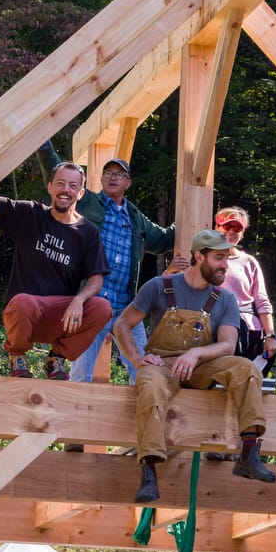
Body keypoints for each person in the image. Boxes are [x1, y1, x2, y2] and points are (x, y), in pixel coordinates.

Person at [113, 229, 275, 504]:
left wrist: (197, 353)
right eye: (219, 258)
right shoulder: (159, 287)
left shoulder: (224, 299)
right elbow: (122, 325)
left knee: (246, 369)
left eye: (227, 258)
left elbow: (227, 344)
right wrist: (138, 359)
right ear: (199, 256)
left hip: (203, 364)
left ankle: (249, 453)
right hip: (162, 363)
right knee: (149, 385)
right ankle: (149, 469)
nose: (225, 264)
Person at [0, 160, 112, 379]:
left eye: (73, 186)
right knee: (23, 302)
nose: (66, 190)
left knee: (102, 308)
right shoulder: (29, 214)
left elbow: (96, 279)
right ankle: (18, 356)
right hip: (24, 312)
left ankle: (56, 359)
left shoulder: (87, 232)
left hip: (60, 316)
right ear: (50, 187)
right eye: (60, 183)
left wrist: (78, 300)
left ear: (81, 193)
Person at [70, 157, 179, 383]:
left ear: (128, 183)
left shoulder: (135, 216)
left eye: (119, 174)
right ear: (100, 179)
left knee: (144, 372)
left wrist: (190, 215)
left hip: (126, 309)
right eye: (108, 173)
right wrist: (45, 148)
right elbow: (61, 183)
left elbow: (164, 239)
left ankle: (139, 416)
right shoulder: (88, 202)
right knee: (81, 375)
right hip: (93, 304)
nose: (112, 177)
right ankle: (75, 417)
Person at [214, 207, 276, 364]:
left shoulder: (249, 262)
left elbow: (262, 301)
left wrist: (270, 336)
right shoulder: (205, 259)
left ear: (242, 233)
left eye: (237, 228)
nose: (232, 231)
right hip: (215, 329)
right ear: (216, 227)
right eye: (227, 226)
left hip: (248, 332)